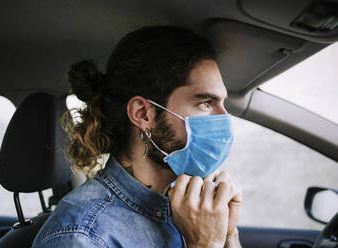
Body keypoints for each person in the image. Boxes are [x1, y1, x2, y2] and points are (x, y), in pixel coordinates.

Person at [32, 25, 242, 248]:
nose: (225, 118)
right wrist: (204, 244)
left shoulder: (190, 208)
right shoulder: (80, 237)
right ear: (143, 113)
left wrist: (228, 235)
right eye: (206, 103)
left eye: (223, 104)